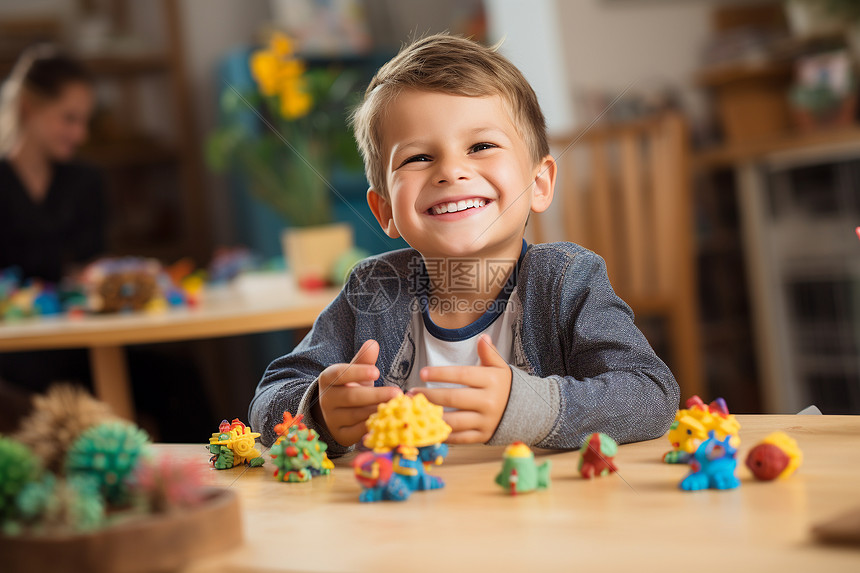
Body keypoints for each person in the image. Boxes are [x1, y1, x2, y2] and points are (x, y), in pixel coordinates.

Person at [249, 34, 679, 454]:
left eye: (481, 146)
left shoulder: (566, 280)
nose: (451, 171)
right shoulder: (371, 288)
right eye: (418, 157)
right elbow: (268, 399)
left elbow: (650, 393)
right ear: (384, 211)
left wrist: (531, 406)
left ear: (539, 183)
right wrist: (319, 413)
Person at [0, 45, 104, 283]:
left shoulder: (87, 181)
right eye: (69, 119)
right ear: (28, 108)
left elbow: (93, 264)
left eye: (84, 121)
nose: (81, 135)